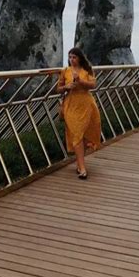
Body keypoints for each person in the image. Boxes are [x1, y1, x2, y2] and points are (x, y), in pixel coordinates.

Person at [57, 47, 101, 179]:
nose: (71, 60)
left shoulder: (87, 70)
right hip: (71, 105)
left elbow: (93, 85)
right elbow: (58, 89)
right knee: (76, 134)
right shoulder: (65, 71)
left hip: (86, 104)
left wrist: (80, 81)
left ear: (80, 58)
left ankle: (79, 162)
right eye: (70, 57)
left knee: (85, 135)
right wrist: (66, 87)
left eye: (74, 57)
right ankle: (82, 168)